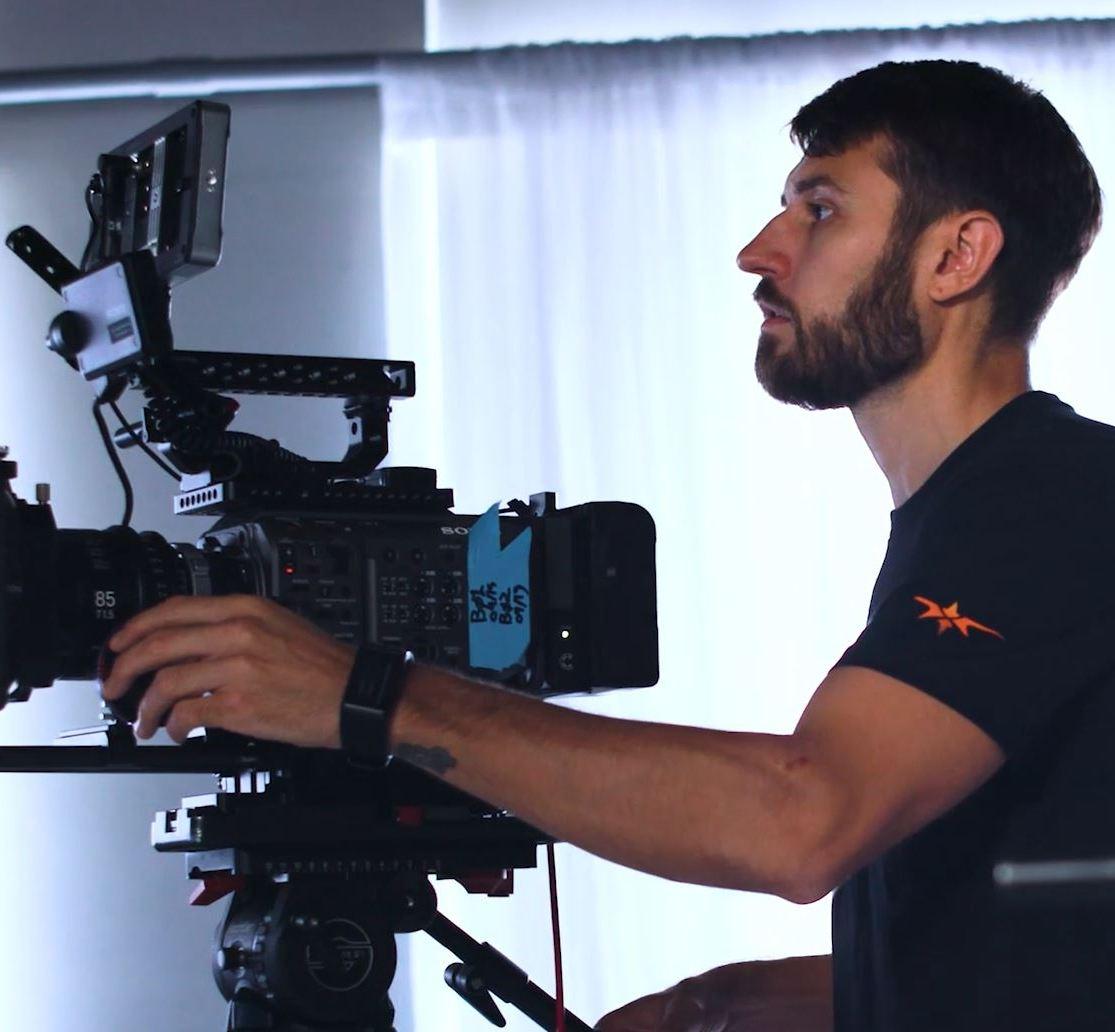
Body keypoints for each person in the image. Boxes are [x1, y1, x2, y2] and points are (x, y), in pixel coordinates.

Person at [100, 59, 1114, 1030]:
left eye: (818, 209)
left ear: (955, 256)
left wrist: (365, 697)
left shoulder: (1049, 498)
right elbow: (1036, 937)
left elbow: (801, 821)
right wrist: (719, 1007)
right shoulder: (1003, 502)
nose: (758, 251)